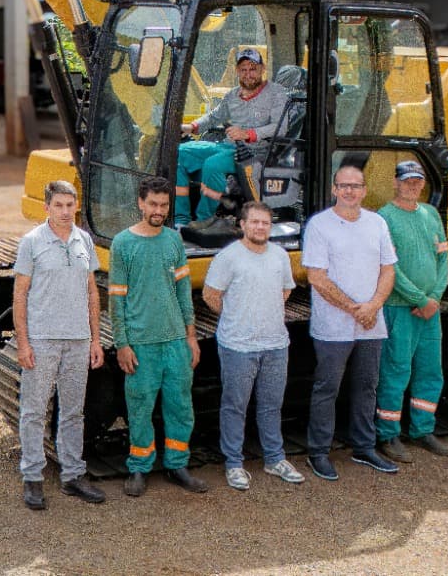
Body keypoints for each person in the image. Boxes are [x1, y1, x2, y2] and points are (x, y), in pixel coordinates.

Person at [12, 180, 108, 509]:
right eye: (59, 206)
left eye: (70, 205)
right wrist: (23, 343)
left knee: (73, 411)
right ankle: (33, 477)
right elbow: (20, 295)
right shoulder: (32, 242)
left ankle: (72, 475)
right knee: (34, 411)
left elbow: (92, 292)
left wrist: (95, 339)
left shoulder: (85, 240)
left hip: (78, 339)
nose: (65, 211)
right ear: (47, 207)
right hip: (42, 339)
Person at [109, 175, 207, 496]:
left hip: (176, 341)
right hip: (141, 343)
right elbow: (117, 299)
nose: (158, 210)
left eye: (164, 205)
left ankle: (177, 464)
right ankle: (139, 467)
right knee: (139, 408)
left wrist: (191, 336)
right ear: (140, 203)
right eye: (153, 203)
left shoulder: (173, 240)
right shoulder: (123, 244)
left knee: (180, 405)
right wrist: (122, 344)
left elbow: (182, 292)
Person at [302, 163, 400, 480]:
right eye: (343, 186)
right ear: (334, 189)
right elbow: (316, 276)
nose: (349, 191)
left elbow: (388, 270)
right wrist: (355, 308)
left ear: (364, 190)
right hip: (333, 326)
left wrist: (372, 306)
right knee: (327, 387)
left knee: (366, 386)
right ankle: (318, 451)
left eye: (355, 186)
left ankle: (364, 447)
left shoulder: (377, 223)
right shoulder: (319, 225)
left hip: (372, 323)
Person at [201, 201, 305, 489]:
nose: (260, 227)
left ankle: (274, 458)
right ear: (242, 225)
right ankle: (234, 463)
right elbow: (211, 295)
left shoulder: (280, 256)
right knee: (235, 405)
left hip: (275, 344)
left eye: (265, 223)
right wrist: (238, 315)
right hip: (238, 346)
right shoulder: (228, 257)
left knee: (271, 405)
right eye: (254, 222)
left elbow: (285, 291)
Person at [374, 160, 448, 462]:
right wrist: (420, 300)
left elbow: (443, 258)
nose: (412, 185)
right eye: (407, 180)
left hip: (430, 311)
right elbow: (390, 267)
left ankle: (423, 429)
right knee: (396, 372)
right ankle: (388, 434)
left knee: (430, 371)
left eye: (417, 180)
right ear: (395, 182)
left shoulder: (431, 214)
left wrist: (434, 297)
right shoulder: (385, 217)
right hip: (400, 309)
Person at [175, 47, 288, 223]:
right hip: (227, 146)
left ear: (262, 69)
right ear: (237, 71)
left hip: (252, 153)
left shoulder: (276, 93)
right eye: (243, 69)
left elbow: (279, 128)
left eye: (253, 69)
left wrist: (248, 134)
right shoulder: (232, 95)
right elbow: (214, 117)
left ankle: (205, 219)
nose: (248, 74)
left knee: (212, 165)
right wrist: (191, 126)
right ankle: (180, 219)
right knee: (178, 153)